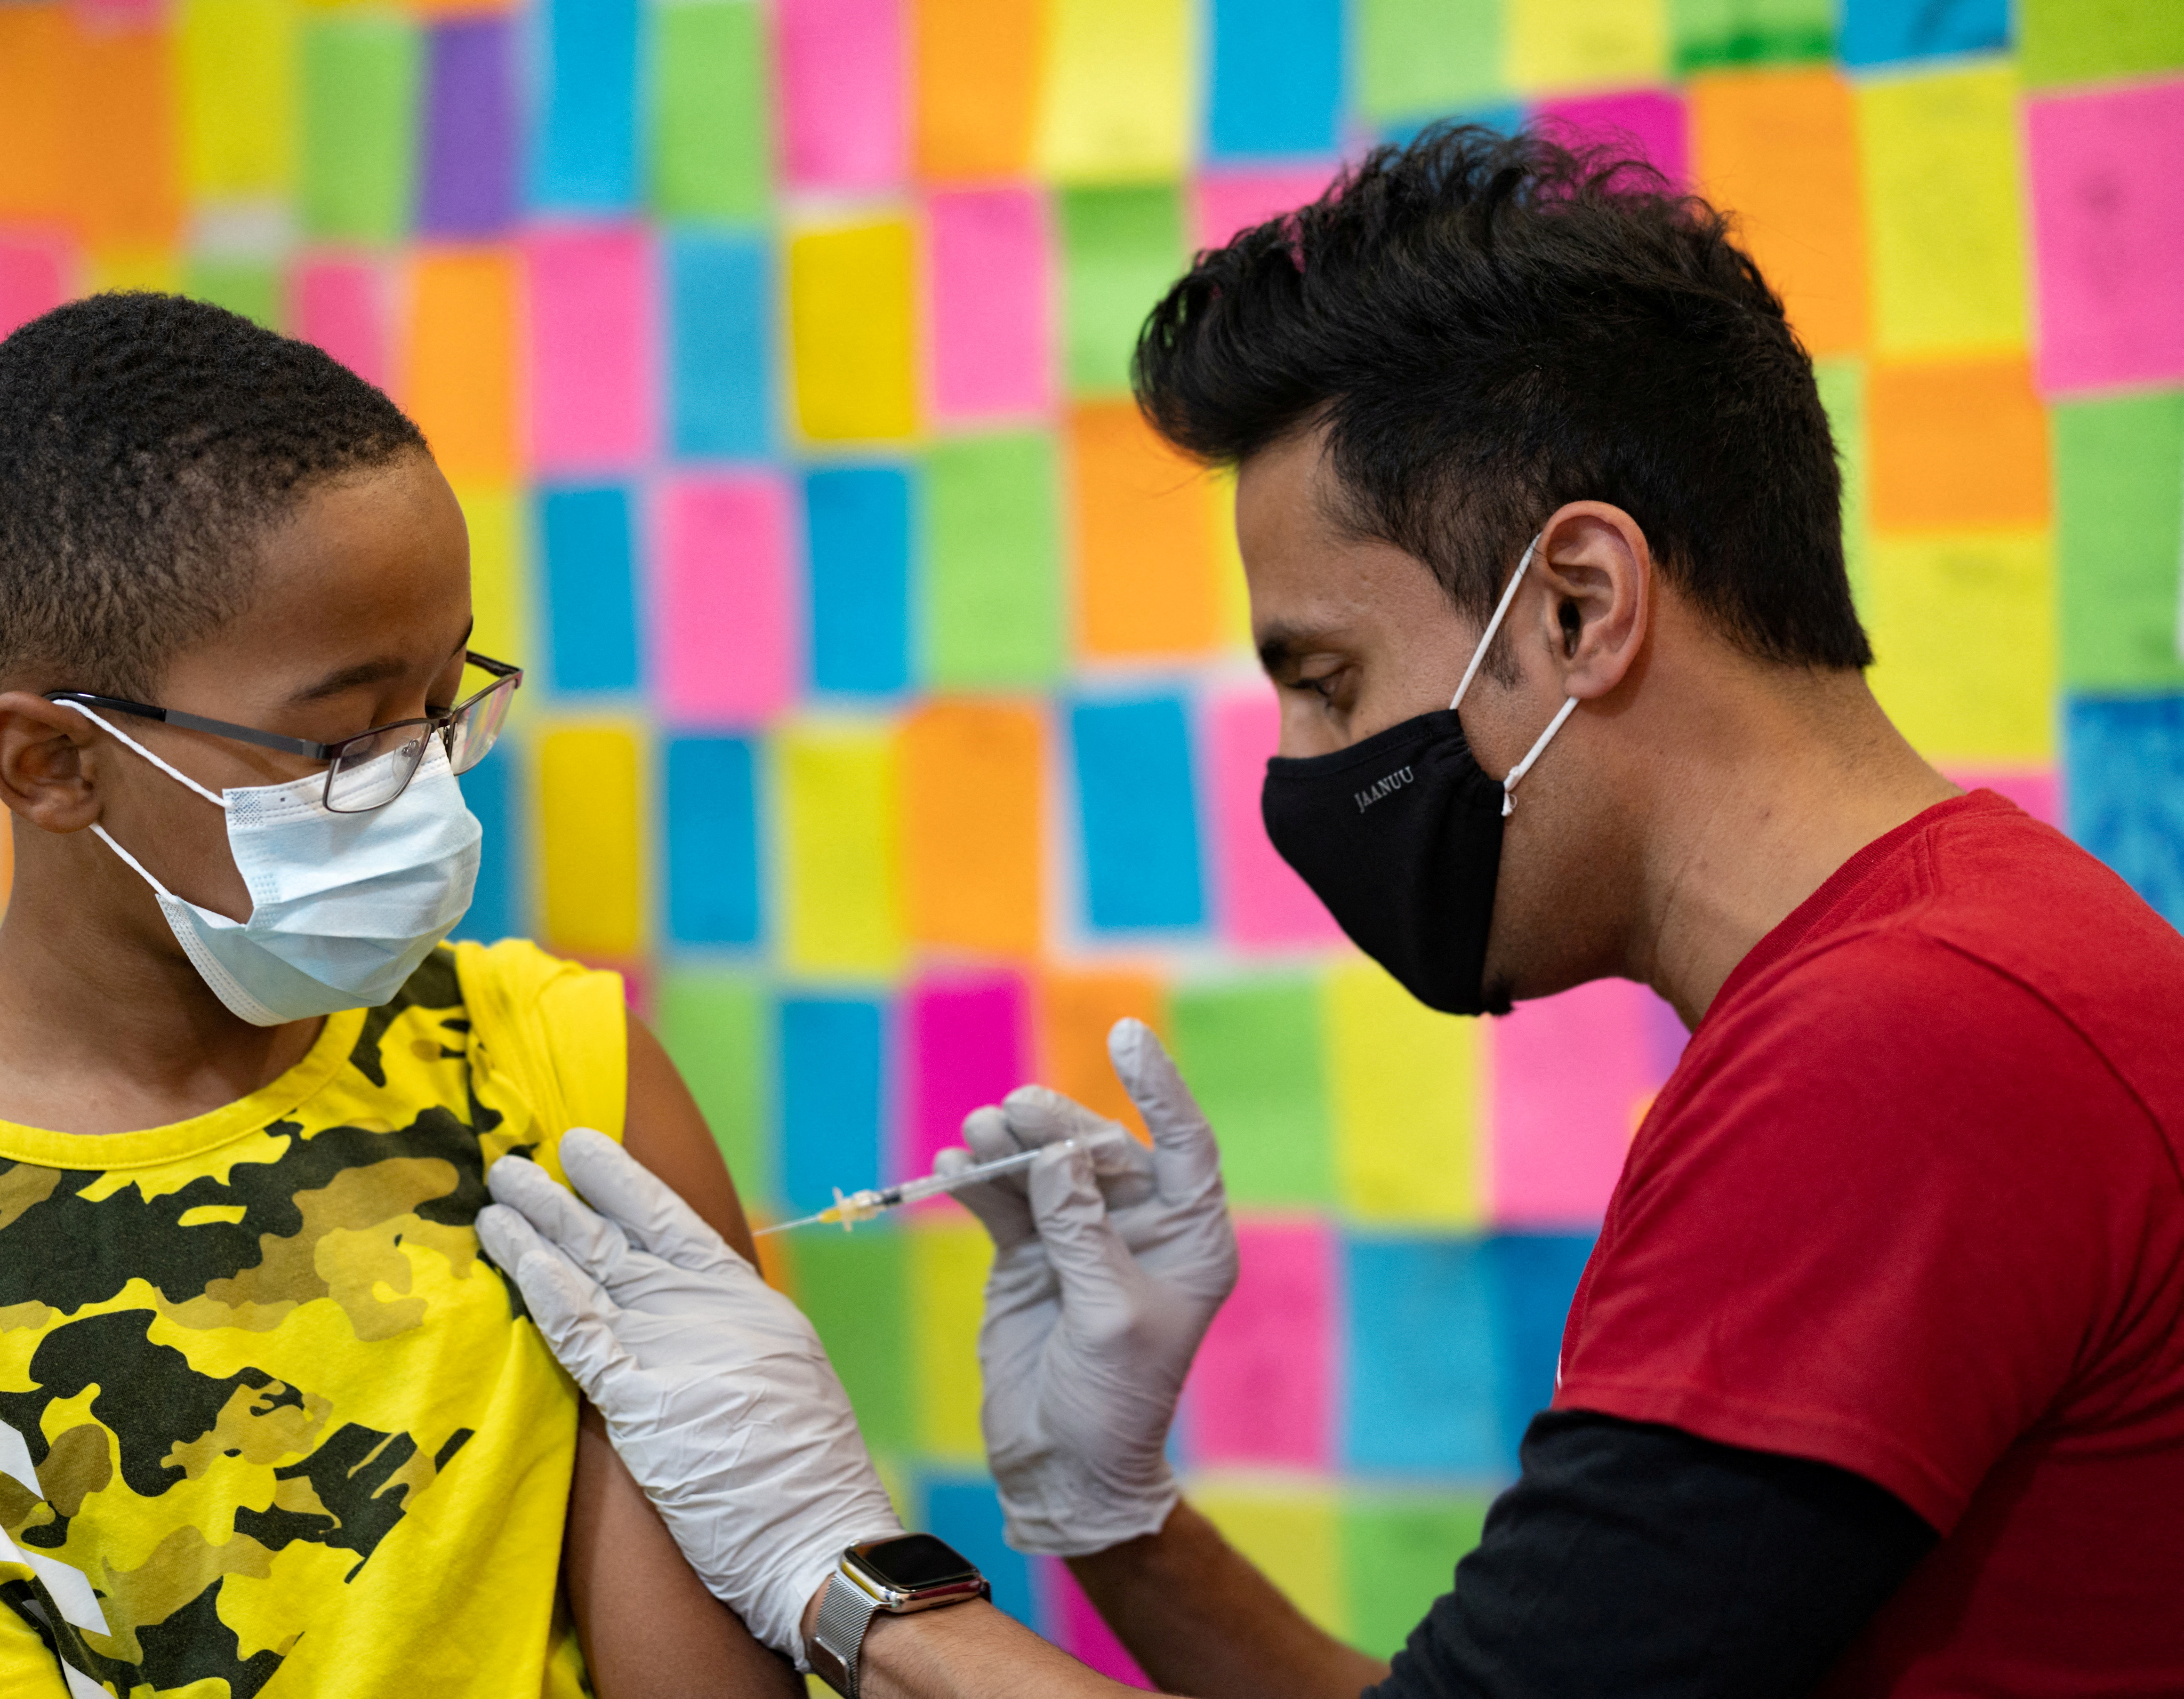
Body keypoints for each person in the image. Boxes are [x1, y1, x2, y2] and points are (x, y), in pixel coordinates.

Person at [474, 128, 2184, 1699]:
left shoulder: (1903, 1048)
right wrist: (1120, 1521)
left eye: (1325, 678)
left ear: (1581, 607)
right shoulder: (1965, 958)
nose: (1301, 768)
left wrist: (837, 1574)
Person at [0, 295, 800, 1699]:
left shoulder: (544, 1061)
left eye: (447, 705)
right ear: (51, 764)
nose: (424, 787)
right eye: (339, 741)